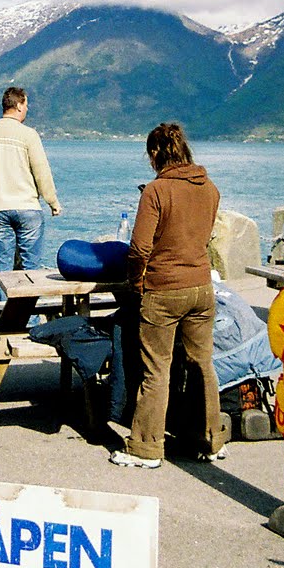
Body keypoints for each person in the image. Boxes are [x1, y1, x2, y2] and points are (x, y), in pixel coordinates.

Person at [110, 123, 228, 469]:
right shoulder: (210, 188)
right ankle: (211, 439)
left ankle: (146, 448)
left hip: (163, 290)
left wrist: (137, 284)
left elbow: (140, 248)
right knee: (203, 364)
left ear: (156, 153)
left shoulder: (156, 191)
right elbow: (203, 237)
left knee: (156, 370)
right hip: (201, 287)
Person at [0, 86, 62, 302]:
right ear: (19, 105)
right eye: (26, 105)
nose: (27, 109)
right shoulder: (28, 135)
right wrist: (53, 201)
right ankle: (28, 319)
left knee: (2, 268)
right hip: (27, 207)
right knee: (30, 267)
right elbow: (41, 171)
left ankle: (0, 318)